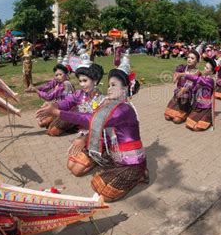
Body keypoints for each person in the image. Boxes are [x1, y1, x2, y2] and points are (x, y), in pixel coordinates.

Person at [36, 53, 148, 202]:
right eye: (109, 85)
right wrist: (55, 106)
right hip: (105, 146)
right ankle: (102, 162)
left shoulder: (122, 109)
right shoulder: (103, 101)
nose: (109, 89)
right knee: (74, 167)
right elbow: (68, 103)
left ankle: (138, 174)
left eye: (113, 85)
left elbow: (91, 120)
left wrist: (58, 114)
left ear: (124, 89)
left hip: (115, 151)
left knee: (100, 189)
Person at [41, 53, 105, 137]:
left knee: (53, 131)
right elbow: (68, 101)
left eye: (85, 81)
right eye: (80, 81)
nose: (81, 84)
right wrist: (54, 105)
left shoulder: (101, 100)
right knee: (45, 124)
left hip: (79, 121)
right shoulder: (79, 93)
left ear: (95, 80)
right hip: (73, 116)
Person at [30, 61, 75, 128]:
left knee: (42, 122)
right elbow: (47, 86)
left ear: (66, 74)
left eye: (60, 74)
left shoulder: (65, 84)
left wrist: (36, 90)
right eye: (56, 75)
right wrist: (35, 89)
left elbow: (49, 97)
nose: (58, 77)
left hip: (66, 110)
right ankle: (51, 120)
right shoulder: (58, 82)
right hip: (59, 107)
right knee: (45, 106)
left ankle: (55, 121)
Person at [164, 50, 200, 124]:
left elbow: (191, 83)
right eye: (188, 57)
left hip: (186, 95)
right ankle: (175, 109)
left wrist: (184, 89)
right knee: (167, 116)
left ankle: (187, 110)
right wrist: (175, 77)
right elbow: (176, 74)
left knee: (176, 120)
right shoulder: (182, 67)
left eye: (192, 58)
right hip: (178, 93)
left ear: (197, 61)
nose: (189, 59)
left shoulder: (197, 72)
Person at [183, 58, 216, 131]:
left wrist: (186, 75)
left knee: (196, 128)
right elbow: (195, 87)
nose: (204, 68)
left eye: (207, 68)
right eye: (205, 66)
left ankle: (208, 119)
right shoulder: (203, 77)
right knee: (189, 124)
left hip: (205, 106)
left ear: (212, 71)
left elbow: (197, 79)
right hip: (197, 104)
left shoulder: (210, 80)